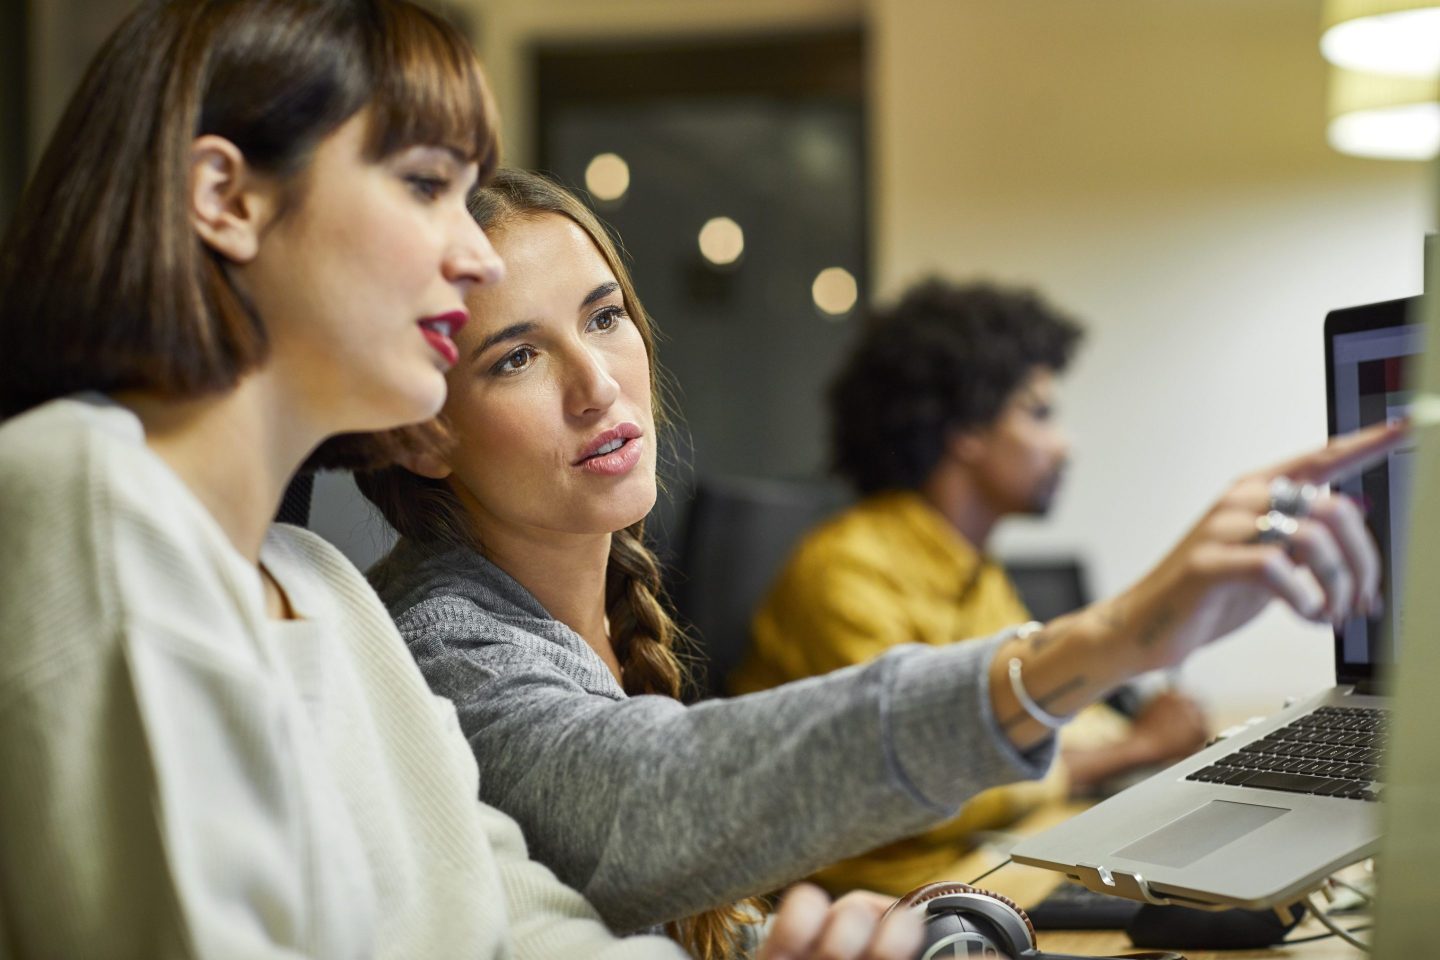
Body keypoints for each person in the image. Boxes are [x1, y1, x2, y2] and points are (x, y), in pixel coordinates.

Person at [0, 4, 922, 959]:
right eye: (426, 184)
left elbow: (514, 929)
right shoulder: (82, 490)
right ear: (227, 199)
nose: (475, 251)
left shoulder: (320, 585)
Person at [356, 168, 1400, 954]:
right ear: (422, 429)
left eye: (606, 315)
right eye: (518, 357)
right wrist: (1116, 638)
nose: (599, 386)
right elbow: (648, 801)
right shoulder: (440, 642)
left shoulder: (577, 615)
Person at [729, 279, 1210, 896]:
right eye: (1038, 413)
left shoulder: (973, 571)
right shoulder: (843, 572)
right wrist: (1135, 747)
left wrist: (1159, 737)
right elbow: (925, 780)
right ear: (966, 433)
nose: (1064, 444)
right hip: (885, 903)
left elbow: (1049, 712)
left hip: (980, 865)